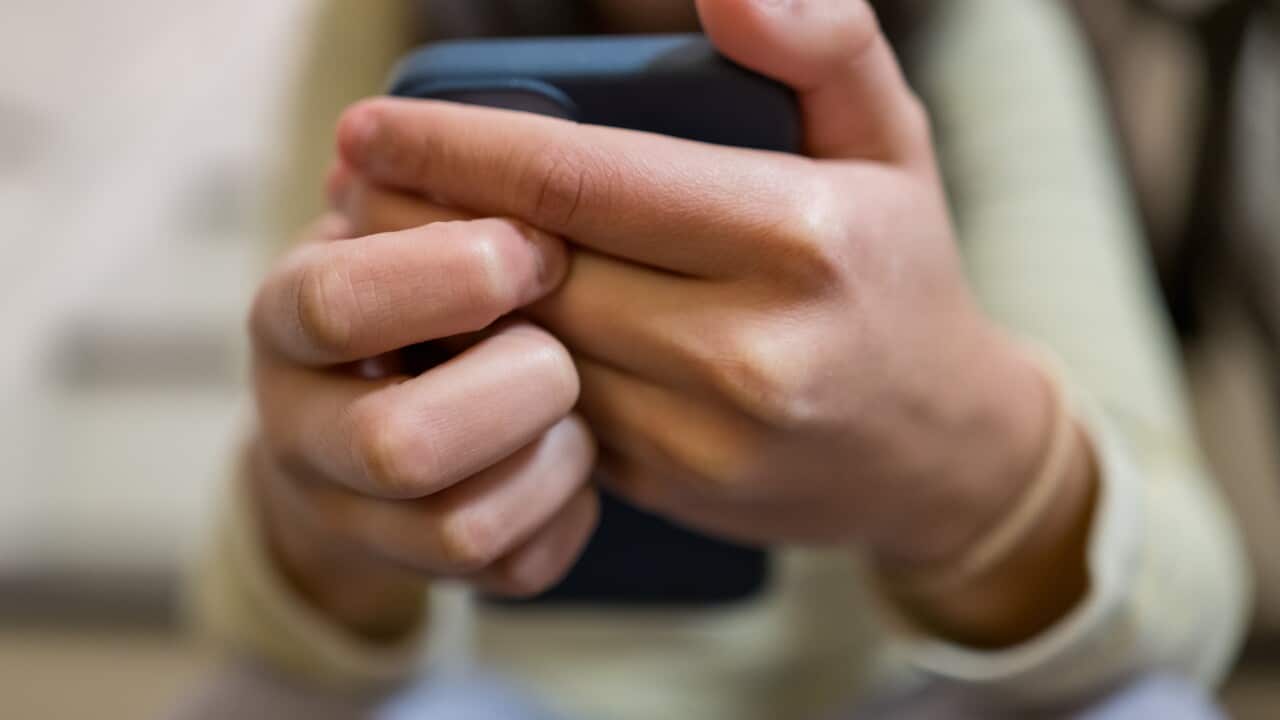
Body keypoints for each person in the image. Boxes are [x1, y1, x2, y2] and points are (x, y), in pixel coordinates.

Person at [186, 1, 1249, 718]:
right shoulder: (389, 16)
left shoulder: (976, 26)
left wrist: (967, 467)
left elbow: (1192, 597)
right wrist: (326, 500)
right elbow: (261, 617)